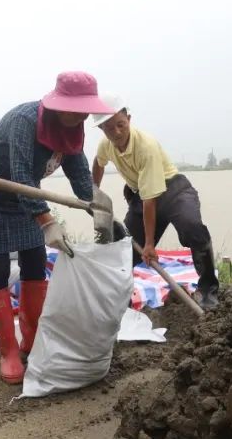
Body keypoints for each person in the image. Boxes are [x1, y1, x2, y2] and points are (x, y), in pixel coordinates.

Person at [0, 71, 117, 384]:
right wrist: (47, 222)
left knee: (34, 265)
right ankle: (9, 351)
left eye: (87, 109)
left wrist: (99, 208)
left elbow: (80, 176)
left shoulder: (73, 130)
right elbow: (20, 175)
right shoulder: (24, 121)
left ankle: (32, 342)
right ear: (60, 104)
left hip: (26, 199)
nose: (83, 114)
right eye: (78, 107)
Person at [90, 96, 220, 310]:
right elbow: (99, 162)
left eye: (120, 125)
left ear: (129, 119)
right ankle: (119, 300)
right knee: (124, 248)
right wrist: (94, 190)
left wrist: (149, 245)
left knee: (193, 229)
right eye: (109, 128)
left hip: (174, 192)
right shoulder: (106, 144)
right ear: (102, 129)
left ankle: (208, 291)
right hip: (142, 194)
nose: (117, 133)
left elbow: (151, 201)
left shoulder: (146, 146)